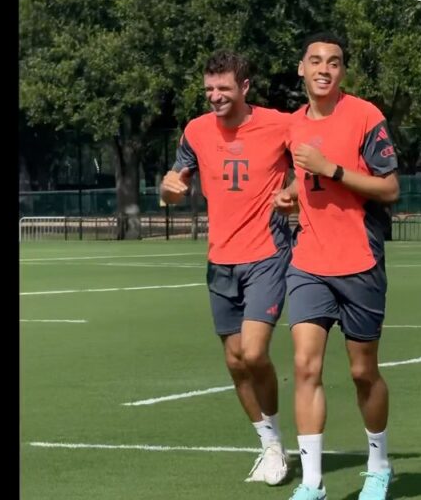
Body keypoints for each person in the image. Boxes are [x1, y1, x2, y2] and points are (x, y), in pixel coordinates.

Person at [273, 32, 400, 500]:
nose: (325, 68)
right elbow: (298, 178)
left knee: (363, 372)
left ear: (342, 71)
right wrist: (289, 192)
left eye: (335, 62)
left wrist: (331, 169)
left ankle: (379, 464)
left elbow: (389, 189)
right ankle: (311, 484)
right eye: (316, 61)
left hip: (360, 260)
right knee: (305, 366)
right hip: (308, 262)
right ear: (301, 69)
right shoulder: (291, 126)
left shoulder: (366, 116)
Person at [160, 50, 293, 486]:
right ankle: (271, 444)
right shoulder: (197, 130)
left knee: (254, 353)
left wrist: (291, 189)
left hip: (268, 254)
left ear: (245, 88)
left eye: (224, 88)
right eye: (209, 89)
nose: (215, 96)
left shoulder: (280, 124)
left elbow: (308, 166)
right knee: (236, 362)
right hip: (220, 260)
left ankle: (277, 445)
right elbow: (176, 182)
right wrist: (170, 189)